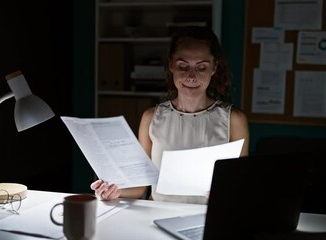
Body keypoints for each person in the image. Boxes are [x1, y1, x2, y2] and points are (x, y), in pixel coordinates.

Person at [91, 26, 249, 204]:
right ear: (171, 65)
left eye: (201, 67)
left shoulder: (233, 119)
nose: (191, 76)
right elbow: (140, 186)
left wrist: (227, 193)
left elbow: (239, 184)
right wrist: (113, 190)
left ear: (214, 68)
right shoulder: (151, 117)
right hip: (157, 217)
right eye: (183, 66)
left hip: (209, 218)